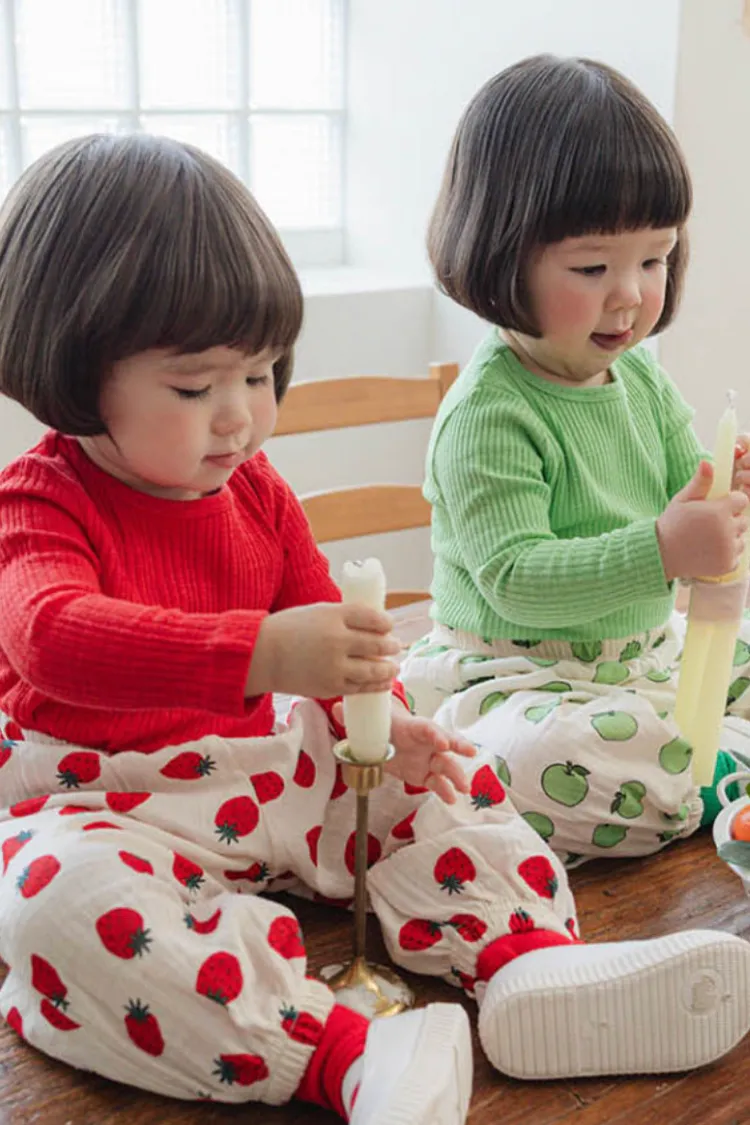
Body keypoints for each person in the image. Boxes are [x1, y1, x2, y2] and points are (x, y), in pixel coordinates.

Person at [0, 134, 746, 1125]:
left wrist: (386, 722)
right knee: (61, 909)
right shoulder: (41, 502)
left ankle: (530, 967)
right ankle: (351, 1055)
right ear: (71, 364)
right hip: (97, 800)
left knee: (454, 785)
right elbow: (51, 638)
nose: (238, 418)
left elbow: (343, 642)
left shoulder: (255, 491)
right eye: (194, 387)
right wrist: (263, 652)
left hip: (262, 772)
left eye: (260, 375)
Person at [401, 53, 750, 868]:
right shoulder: (490, 413)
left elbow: (689, 500)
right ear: (501, 254)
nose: (629, 294)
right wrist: (662, 549)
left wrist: (725, 497)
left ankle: (691, 766)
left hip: (643, 655)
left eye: (654, 259)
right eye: (593, 267)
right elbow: (516, 578)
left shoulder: (641, 377)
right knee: (548, 756)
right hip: (516, 677)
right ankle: (701, 777)